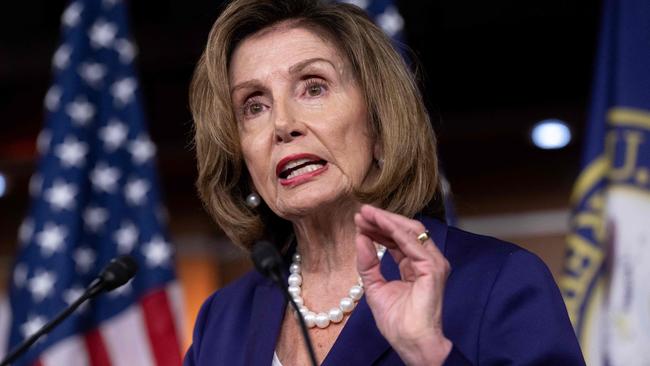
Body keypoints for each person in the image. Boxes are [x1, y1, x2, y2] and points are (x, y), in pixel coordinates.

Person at [184, 0, 585, 364]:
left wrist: (430, 355)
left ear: (378, 125)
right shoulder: (221, 320)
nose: (283, 124)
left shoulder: (499, 282)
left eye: (313, 87)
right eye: (254, 106)